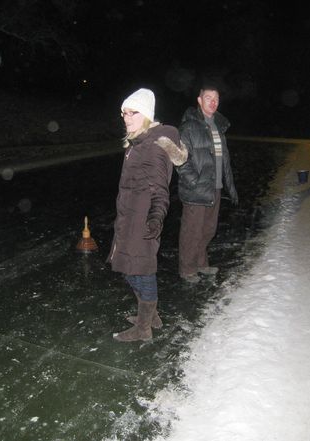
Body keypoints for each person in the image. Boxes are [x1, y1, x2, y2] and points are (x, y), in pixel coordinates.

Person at [108, 88, 187, 342]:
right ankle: (150, 315)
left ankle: (143, 328)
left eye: (133, 113)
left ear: (146, 115)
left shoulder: (152, 146)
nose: (126, 117)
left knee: (140, 270)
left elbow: (160, 189)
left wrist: (155, 218)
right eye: (124, 113)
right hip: (130, 216)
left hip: (142, 219)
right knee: (133, 267)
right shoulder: (138, 141)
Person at [176, 86, 239, 284]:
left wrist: (230, 186)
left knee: (208, 229)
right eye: (208, 97)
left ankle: (201, 263)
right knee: (192, 231)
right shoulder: (188, 127)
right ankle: (187, 269)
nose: (213, 101)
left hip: (215, 186)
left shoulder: (219, 127)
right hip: (196, 189)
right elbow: (180, 160)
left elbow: (224, 160)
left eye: (216, 98)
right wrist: (195, 182)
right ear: (199, 100)